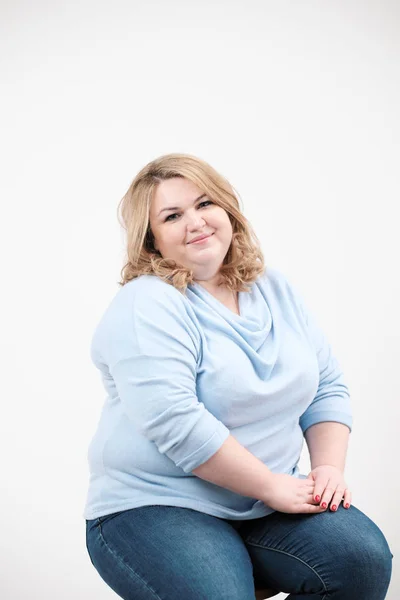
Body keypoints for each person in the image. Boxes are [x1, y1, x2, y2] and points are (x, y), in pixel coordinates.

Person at [84, 153, 392, 600]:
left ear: (227, 210)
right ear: (151, 241)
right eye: (172, 216)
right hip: (156, 503)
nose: (196, 222)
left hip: (264, 504)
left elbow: (326, 386)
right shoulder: (148, 303)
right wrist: (272, 486)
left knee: (359, 561)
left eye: (204, 203)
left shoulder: (273, 288)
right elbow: (176, 421)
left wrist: (326, 470)